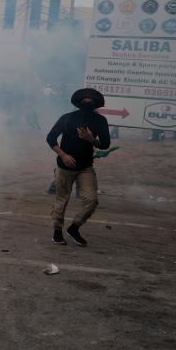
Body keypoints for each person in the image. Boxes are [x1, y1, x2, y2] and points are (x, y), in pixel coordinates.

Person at [45, 88, 111, 247]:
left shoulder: (100, 121)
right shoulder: (67, 118)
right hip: (64, 167)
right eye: (84, 101)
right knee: (62, 200)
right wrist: (63, 155)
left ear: (96, 104)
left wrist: (91, 139)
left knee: (92, 200)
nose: (87, 103)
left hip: (85, 167)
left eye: (91, 101)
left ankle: (74, 228)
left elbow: (106, 144)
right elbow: (51, 138)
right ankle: (57, 231)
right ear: (79, 103)